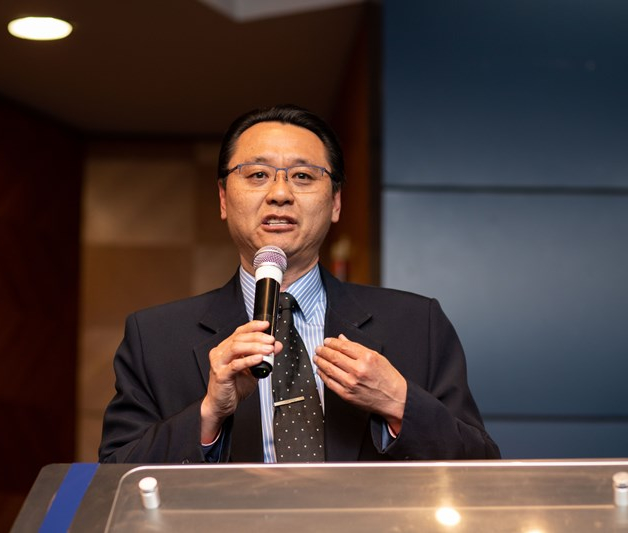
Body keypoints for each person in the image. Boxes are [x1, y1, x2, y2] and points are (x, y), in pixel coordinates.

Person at [99, 104, 500, 463]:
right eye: (257, 174)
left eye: (303, 176)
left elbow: (480, 467)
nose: (280, 193)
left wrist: (398, 402)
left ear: (336, 202)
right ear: (223, 199)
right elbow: (113, 482)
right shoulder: (154, 338)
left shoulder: (417, 323)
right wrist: (208, 415)